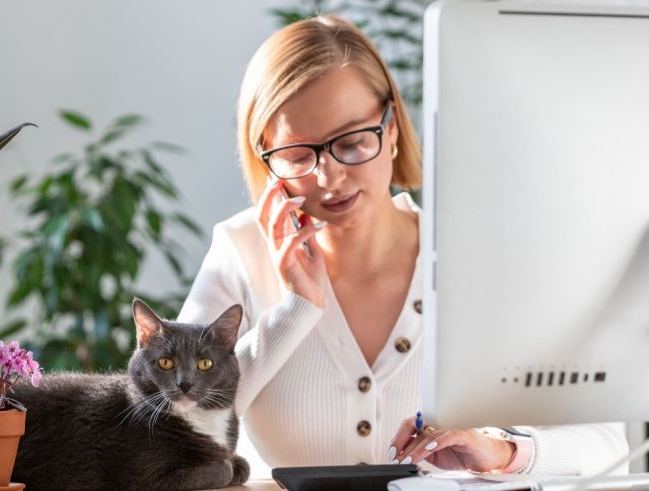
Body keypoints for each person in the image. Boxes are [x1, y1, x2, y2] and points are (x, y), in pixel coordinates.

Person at [177, 14, 628, 475]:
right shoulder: (240, 251)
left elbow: (608, 443)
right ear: (266, 159)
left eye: (352, 142)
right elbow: (167, 433)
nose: (330, 178)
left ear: (391, 129)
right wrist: (296, 308)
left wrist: (506, 452)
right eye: (297, 155)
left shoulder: (481, 257)